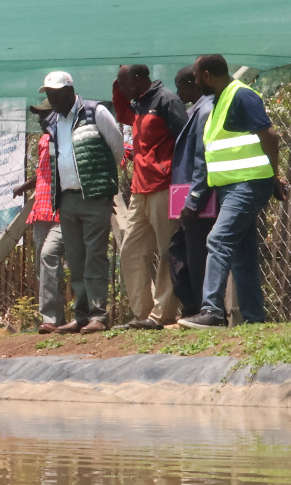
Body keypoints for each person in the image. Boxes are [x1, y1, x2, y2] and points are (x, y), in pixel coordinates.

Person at [178, 55, 289, 328]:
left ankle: (212, 311)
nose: (194, 83)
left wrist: (275, 175)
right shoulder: (219, 100)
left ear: (206, 75)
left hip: (249, 184)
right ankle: (254, 318)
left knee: (218, 239)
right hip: (231, 186)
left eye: (195, 77)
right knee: (242, 253)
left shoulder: (241, 96)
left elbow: (270, 136)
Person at [35, 71, 124, 334]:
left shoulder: (95, 111)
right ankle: (82, 316)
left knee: (94, 257)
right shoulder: (54, 121)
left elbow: (116, 147)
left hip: (94, 197)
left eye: (56, 95)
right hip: (67, 199)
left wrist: (100, 181)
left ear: (69, 91)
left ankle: (98, 315)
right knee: (75, 259)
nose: (52, 101)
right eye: (49, 96)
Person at [112, 64, 188, 330]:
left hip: (166, 187)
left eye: (123, 83)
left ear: (138, 79)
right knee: (131, 251)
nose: (120, 88)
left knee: (168, 250)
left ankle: (163, 315)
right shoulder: (138, 105)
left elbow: (187, 139)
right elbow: (121, 111)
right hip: (139, 191)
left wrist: (180, 182)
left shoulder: (166, 100)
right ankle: (143, 314)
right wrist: (118, 84)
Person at [167, 66, 216, 319]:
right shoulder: (194, 110)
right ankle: (192, 307)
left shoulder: (206, 110)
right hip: (188, 194)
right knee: (180, 250)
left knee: (198, 255)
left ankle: (202, 308)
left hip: (200, 197)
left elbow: (203, 159)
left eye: (180, 86)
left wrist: (194, 199)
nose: (177, 92)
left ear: (191, 83)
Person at [13, 115, 68, 332]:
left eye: (45, 116)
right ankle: (53, 319)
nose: (40, 121)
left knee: (51, 258)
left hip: (61, 209)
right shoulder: (44, 140)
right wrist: (24, 187)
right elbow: (42, 172)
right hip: (41, 208)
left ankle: (55, 319)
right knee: (42, 267)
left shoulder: (65, 137)